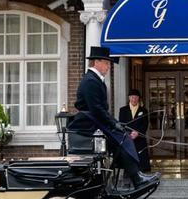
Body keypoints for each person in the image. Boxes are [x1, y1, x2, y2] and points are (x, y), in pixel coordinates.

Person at [68, 46, 160, 189]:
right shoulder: (91, 81)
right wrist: (113, 123)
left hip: (95, 121)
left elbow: (99, 109)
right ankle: (136, 177)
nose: (108, 66)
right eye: (106, 63)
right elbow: (97, 109)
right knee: (124, 138)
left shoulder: (93, 79)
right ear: (96, 62)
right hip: (90, 123)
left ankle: (134, 176)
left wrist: (115, 123)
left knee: (123, 138)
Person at [119, 89, 151, 172]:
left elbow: (145, 124)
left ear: (138, 98)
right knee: (128, 160)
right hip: (128, 138)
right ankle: (127, 181)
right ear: (129, 98)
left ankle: (142, 179)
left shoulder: (144, 110)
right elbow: (121, 124)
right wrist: (128, 134)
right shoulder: (123, 110)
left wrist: (137, 133)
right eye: (132, 97)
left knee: (141, 161)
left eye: (136, 97)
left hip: (139, 139)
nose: (134, 99)